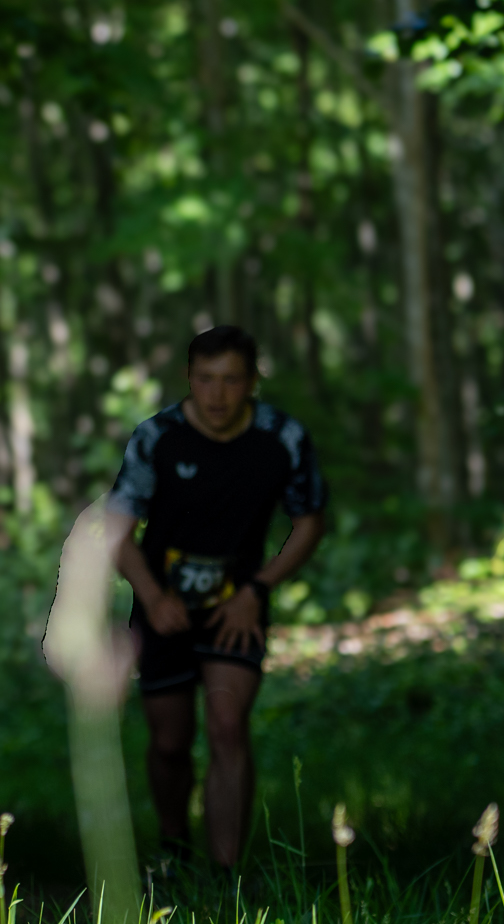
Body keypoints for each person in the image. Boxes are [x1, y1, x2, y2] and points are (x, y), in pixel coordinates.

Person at [103, 325, 327, 872]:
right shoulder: (157, 437)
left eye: (231, 380)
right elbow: (116, 531)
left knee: (228, 726)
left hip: (237, 607)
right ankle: (174, 848)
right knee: (170, 741)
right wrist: (153, 598)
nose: (217, 394)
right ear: (188, 378)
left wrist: (258, 588)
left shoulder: (282, 438)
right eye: (205, 379)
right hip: (165, 608)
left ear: (252, 382)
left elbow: (309, 522)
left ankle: (226, 876)